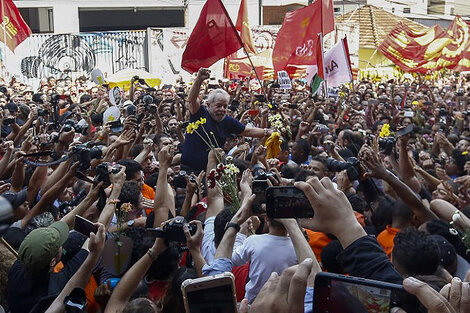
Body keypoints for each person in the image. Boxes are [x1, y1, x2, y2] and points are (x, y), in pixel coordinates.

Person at [181, 68, 272, 172]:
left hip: (211, 172)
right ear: (208, 105)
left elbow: (247, 131)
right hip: (189, 170)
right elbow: (192, 100)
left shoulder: (227, 121)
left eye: (225, 106)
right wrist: (199, 80)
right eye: (218, 106)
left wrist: (266, 132)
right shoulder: (200, 113)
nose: (222, 110)